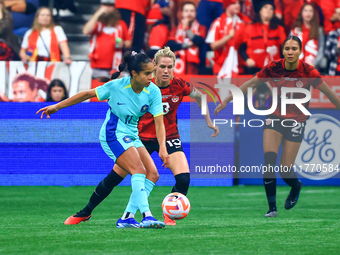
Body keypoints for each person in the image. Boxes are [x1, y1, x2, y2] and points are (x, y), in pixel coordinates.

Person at [63, 47, 219, 227]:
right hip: (140, 137)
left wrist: (208, 121)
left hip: (168, 138)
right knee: (114, 178)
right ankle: (86, 211)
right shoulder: (143, 86)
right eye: (162, 67)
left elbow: (200, 96)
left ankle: (167, 215)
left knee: (183, 178)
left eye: (170, 67)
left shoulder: (179, 85)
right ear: (154, 66)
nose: (166, 71)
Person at [38, 51, 170, 229]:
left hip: (131, 135)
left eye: (152, 73)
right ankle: (147, 216)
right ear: (134, 74)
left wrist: (163, 147)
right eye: (147, 73)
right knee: (138, 170)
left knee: (152, 174)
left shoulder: (153, 90)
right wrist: (57, 106)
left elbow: (159, 122)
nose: (151, 77)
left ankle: (126, 217)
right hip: (113, 133)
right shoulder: (116, 86)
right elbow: (86, 94)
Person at [215, 36, 340, 217]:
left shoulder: (308, 71)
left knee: (285, 169)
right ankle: (272, 208)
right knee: (268, 162)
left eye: (294, 48)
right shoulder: (273, 67)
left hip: (296, 121)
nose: (290, 51)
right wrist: (227, 99)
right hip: (274, 117)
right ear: (283, 51)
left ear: (300, 51)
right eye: (287, 48)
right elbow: (251, 83)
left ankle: (296, 186)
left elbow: (330, 95)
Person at [83, 3, 132, 78]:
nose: (107, 8)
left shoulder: (121, 24)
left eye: (110, 6)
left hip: (115, 67)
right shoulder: (97, 24)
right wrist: (98, 13)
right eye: (105, 6)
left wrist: (124, 44)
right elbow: (86, 31)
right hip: (96, 68)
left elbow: (129, 41)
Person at [239, 1, 285, 75]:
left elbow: (284, 50)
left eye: (271, 8)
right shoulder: (249, 28)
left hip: (273, 70)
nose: (268, 10)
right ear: (260, 11)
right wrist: (247, 60)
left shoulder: (279, 29)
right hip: (254, 69)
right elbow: (242, 48)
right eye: (265, 7)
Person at [205, 0, 246, 77]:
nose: (238, 6)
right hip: (220, 67)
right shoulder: (217, 22)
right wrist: (228, 37)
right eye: (234, 3)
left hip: (237, 67)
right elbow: (213, 46)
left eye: (239, 3)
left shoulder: (242, 24)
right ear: (227, 6)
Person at [167, 1, 206, 75]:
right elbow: (171, 45)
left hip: (194, 67)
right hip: (177, 66)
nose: (189, 13)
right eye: (186, 11)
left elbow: (199, 41)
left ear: (196, 13)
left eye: (192, 11)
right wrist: (188, 44)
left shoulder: (201, 28)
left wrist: (186, 29)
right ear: (182, 13)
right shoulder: (175, 29)